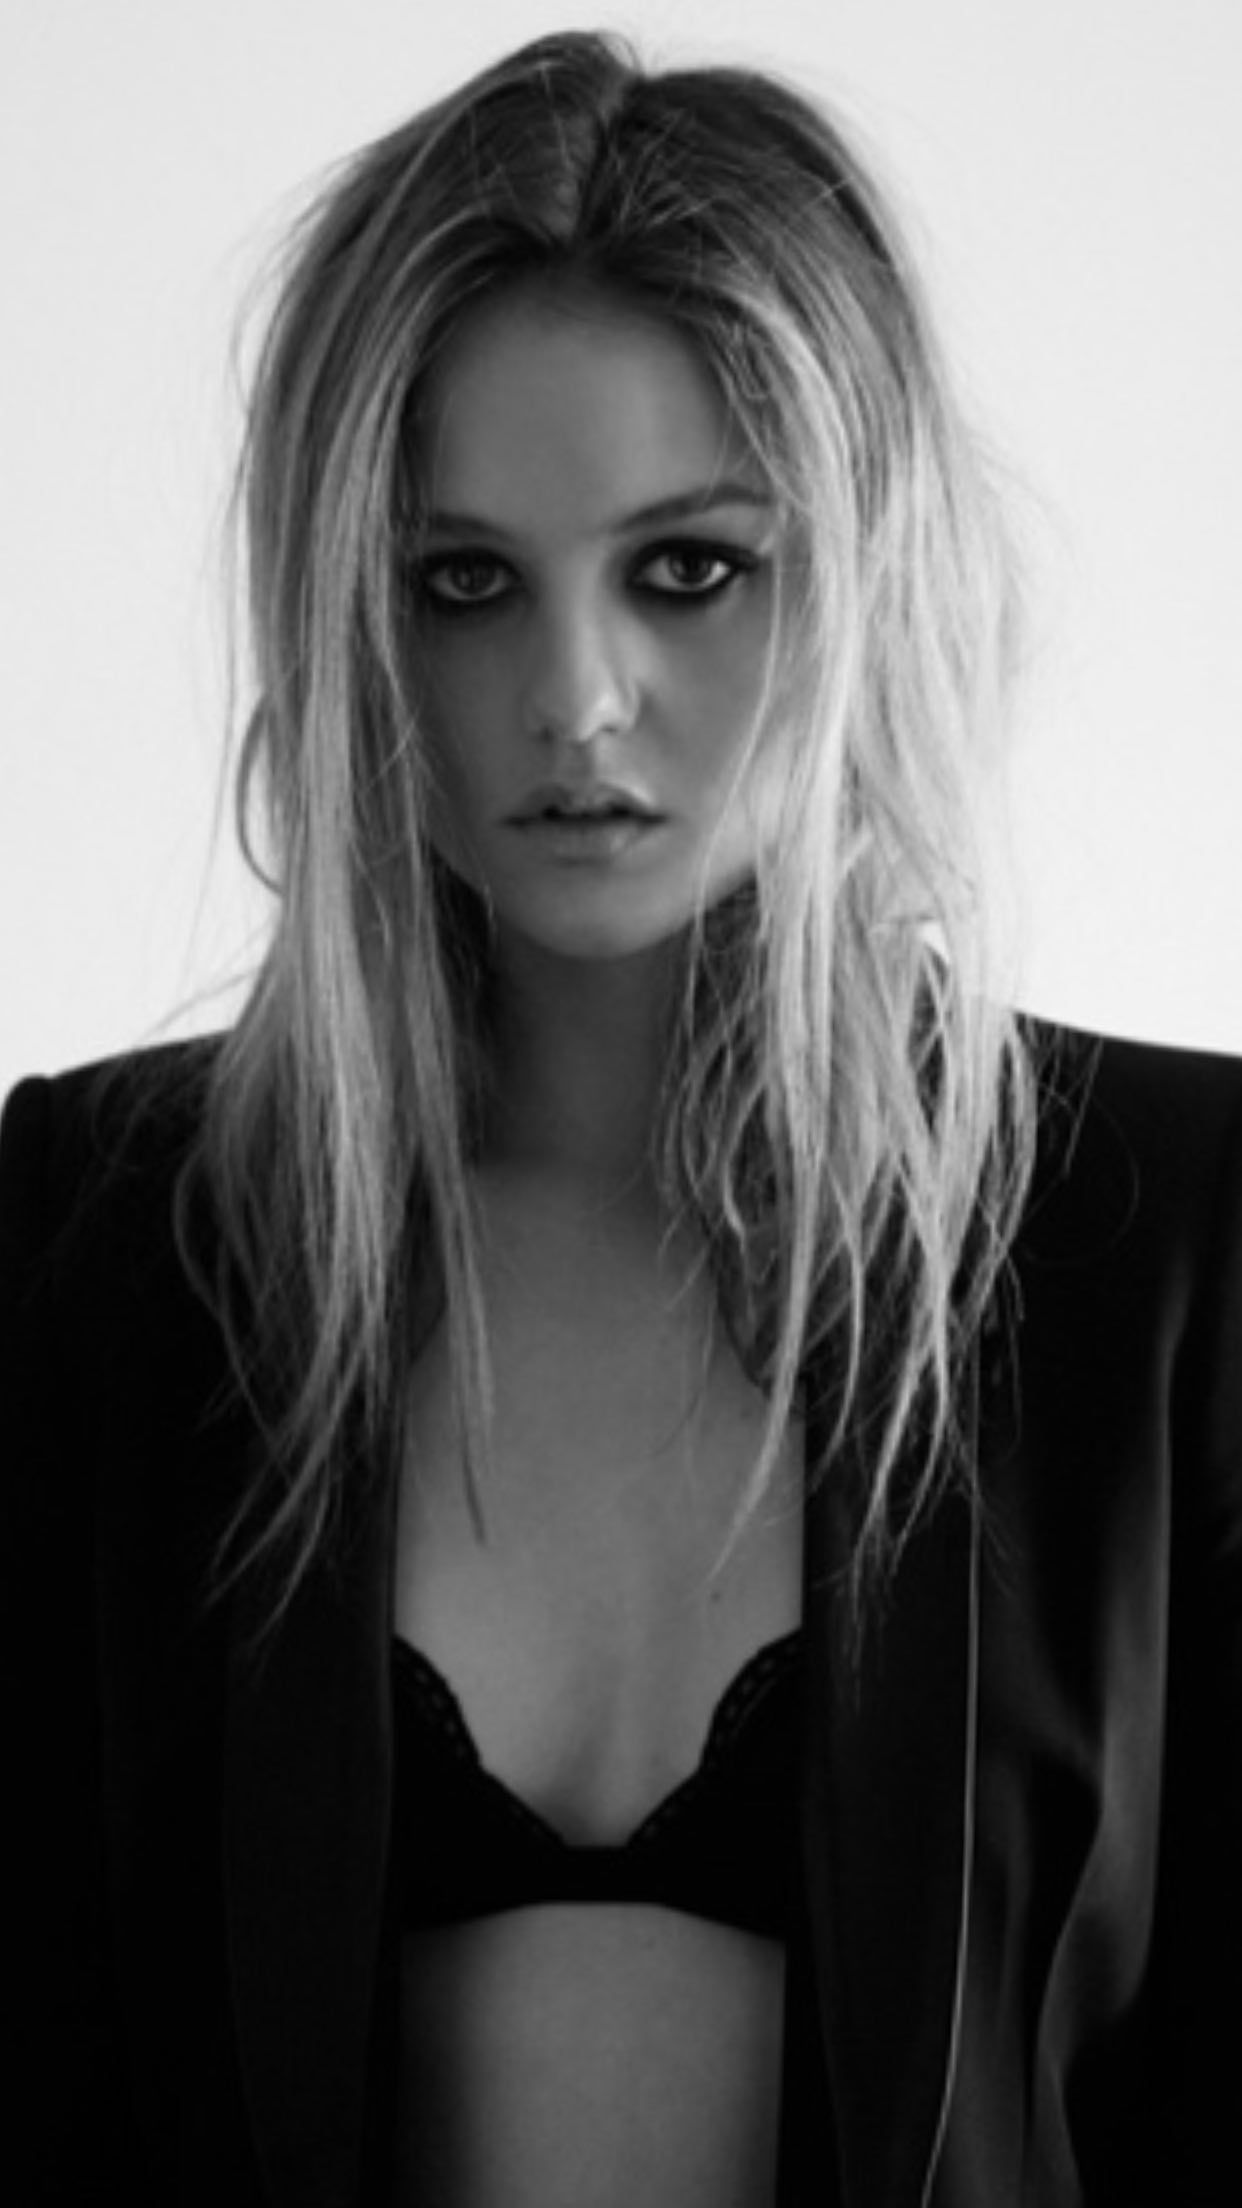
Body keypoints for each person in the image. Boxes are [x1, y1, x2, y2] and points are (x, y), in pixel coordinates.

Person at [2, 27, 1239, 2207]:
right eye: (462, 581)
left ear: (858, 571)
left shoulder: (1168, 1247)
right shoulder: (104, 1243)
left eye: (686, 568)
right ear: (346, 617)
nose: (574, 701)